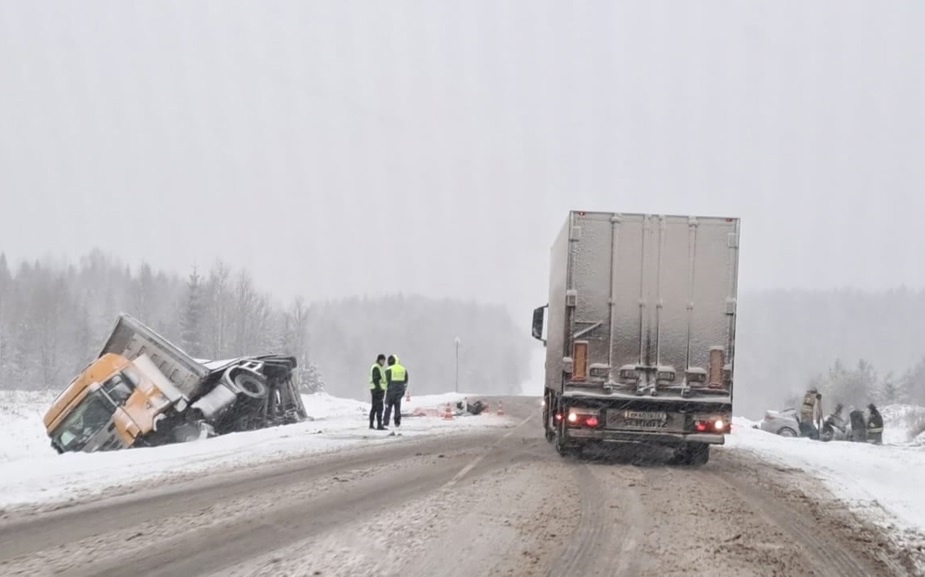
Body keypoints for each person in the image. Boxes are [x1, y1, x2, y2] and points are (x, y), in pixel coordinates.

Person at [383, 354, 409, 429]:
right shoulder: (403, 369)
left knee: (388, 407)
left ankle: (385, 422)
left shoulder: (389, 369)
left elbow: (385, 381)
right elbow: (406, 380)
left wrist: (384, 390)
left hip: (390, 391)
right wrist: (403, 390)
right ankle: (397, 422)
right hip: (399, 392)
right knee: (397, 407)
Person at [369, 354, 387, 430]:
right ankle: (379, 425)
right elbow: (376, 379)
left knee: (374, 407)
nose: (383, 362)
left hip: (375, 389)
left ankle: (371, 424)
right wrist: (379, 388)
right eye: (382, 360)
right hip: (377, 390)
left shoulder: (378, 367)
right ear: (379, 360)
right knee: (379, 407)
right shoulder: (376, 367)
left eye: (384, 361)